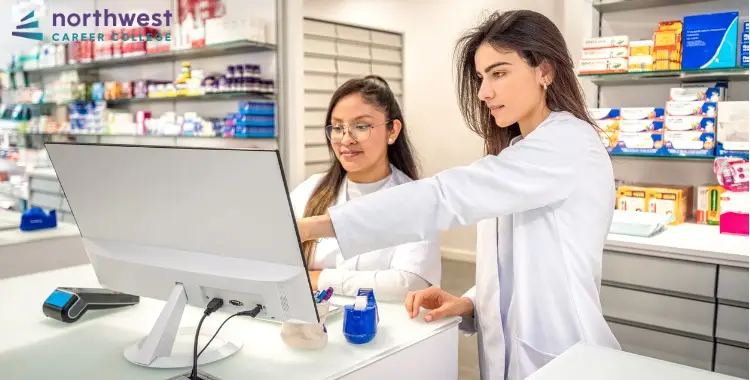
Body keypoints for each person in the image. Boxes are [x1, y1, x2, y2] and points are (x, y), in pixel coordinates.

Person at [296, 10, 621, 380]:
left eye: (499, 73)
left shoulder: (568, 143)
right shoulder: (519, 151)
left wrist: (314, 226)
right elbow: (515, 262)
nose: (484, 92)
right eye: (482, 77)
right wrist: (470, 302)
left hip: (563, 357)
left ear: (544, 71)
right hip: (519, 358)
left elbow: (444, 197)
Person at [291, 75, 441, 302]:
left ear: (392, 131)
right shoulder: (311, 190)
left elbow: (410, 283)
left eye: (361, 126)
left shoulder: (417, 201)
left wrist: (319, 278)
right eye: (338, 127)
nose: (346, 139)